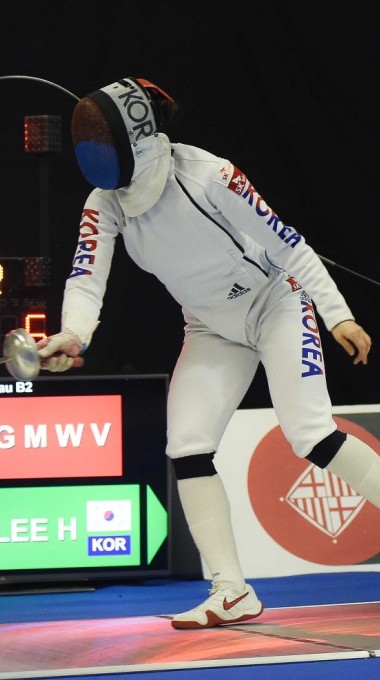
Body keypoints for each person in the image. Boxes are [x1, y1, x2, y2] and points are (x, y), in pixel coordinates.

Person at [34, 77, 376, 629]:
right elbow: (86, 278)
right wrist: (73, 336)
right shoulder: (106, 202)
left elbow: (288, 243)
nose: (95, 159)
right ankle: (232, 590)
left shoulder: (211, 176)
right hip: (210, 328)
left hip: (276, 304)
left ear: (136, 139)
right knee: (188, 445)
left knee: (310, 433)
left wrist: (337, 313)